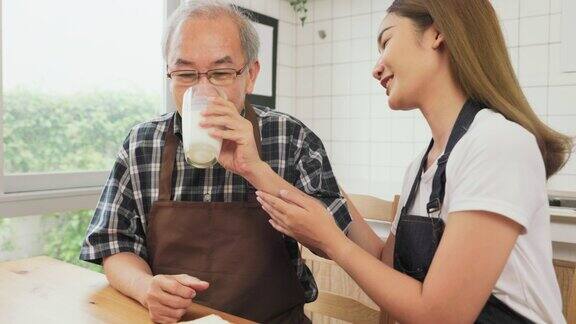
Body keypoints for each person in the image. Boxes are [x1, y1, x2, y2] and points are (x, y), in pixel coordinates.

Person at [255, 0, 573, 323]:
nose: (376, 67)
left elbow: (441, 316)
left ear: (437, 33)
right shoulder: (421, 168)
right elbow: (385, 262)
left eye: (386, 41)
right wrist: (322, 185)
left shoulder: (497, 144)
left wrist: (332, 241)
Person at [80, 1, 351, 323]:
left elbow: (335, 242)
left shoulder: (290, 137)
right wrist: (145, 287)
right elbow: (113, 242)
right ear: (169, 74)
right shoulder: (142, 142)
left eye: (221, 73)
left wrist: (256, 170)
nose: (203, 89)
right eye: (185, 74)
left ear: (250, 75)